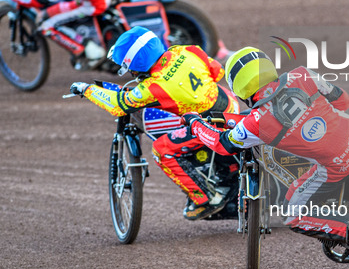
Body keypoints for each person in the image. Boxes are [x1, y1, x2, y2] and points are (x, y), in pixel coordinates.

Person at [181, 47, 349, 264]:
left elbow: (223, 145)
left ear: (238, 86)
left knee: (293, 215)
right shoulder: (301, 74)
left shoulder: (258, 121)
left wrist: (195, 124)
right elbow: (343, 101)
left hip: (336, 164)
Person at [69, 26, 240, 220]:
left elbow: (118, 105)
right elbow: (217, 73)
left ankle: (205, 198)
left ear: (137, 65)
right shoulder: (186, 50)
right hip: (229, 105)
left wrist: (86, 89)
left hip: (208, 126)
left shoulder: (153, 87)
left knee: (162, 148)